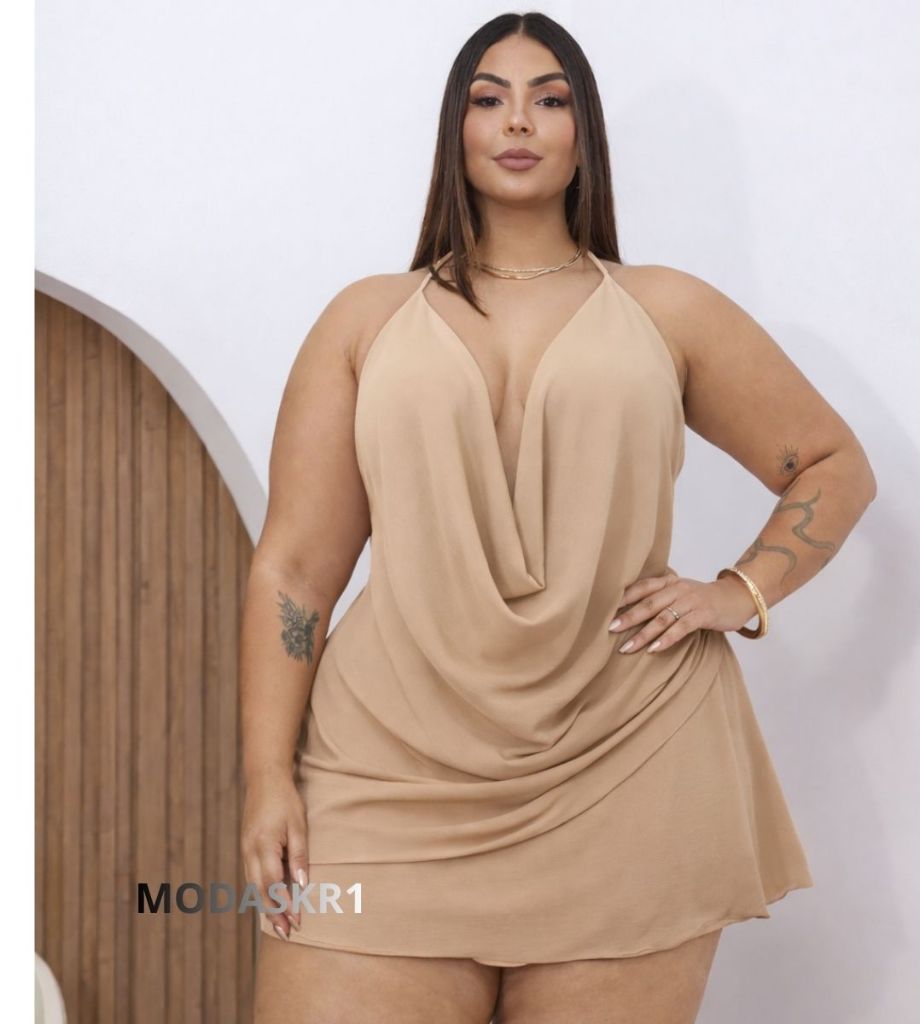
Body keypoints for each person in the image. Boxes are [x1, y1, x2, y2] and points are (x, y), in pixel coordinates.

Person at [242, 11, 877, 1023]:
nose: (517, 121)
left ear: (585, 133)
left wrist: (738, 591)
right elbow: (295, 573)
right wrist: (266, 775)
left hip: (628, 767)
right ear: (454, 129)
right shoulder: (366, 319)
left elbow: (832, 466)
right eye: (487, 98)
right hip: (385, 777)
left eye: (549, 98)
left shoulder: (666, 309)